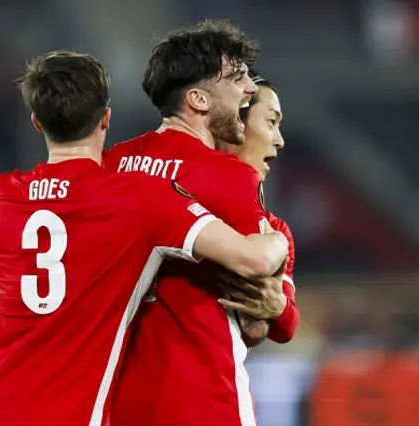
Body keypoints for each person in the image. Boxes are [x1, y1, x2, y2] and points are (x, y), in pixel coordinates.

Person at [0, 50, 289, 426]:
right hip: (63, 413)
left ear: (37, 123)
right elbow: (253, 259)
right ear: (106, 119)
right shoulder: (137, 199)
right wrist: (279, 240)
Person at [103, 20, 285, 426]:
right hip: (205, 400)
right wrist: (280, 257)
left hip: (118, 400)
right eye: (237, 78)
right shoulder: (228, 176)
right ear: (199, 100)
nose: (250, 89)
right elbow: (262, 325)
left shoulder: (112, 164)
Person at [216, 74, 300, 346]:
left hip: (224, 383)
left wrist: (276, 306)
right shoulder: (179, 195)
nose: (280, 141)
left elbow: (284, 329)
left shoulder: (276, 231)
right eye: (271, 122)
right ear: (237, 122)